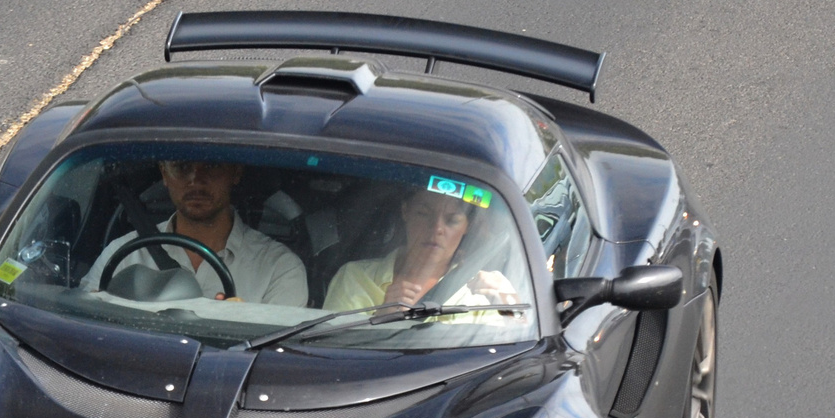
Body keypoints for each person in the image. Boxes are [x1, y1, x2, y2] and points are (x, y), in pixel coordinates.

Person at [83, 160, 308, 306]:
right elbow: (85, 322)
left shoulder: (280, 268)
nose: (195, 179)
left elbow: (274, 361)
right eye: (182, 167)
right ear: (164, 173)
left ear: (236, 172)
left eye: (212, 166)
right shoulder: (122, 254)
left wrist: (244, 328)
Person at [324, 188, 521, 312]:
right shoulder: (355, 277)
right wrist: (383, 317)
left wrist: (510, 304)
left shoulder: (484, 293)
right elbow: (328, 353)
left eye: (452, 220)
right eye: (423, 214)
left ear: (467, 227)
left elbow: (520, 350)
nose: (436, 229)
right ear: (405, 211)